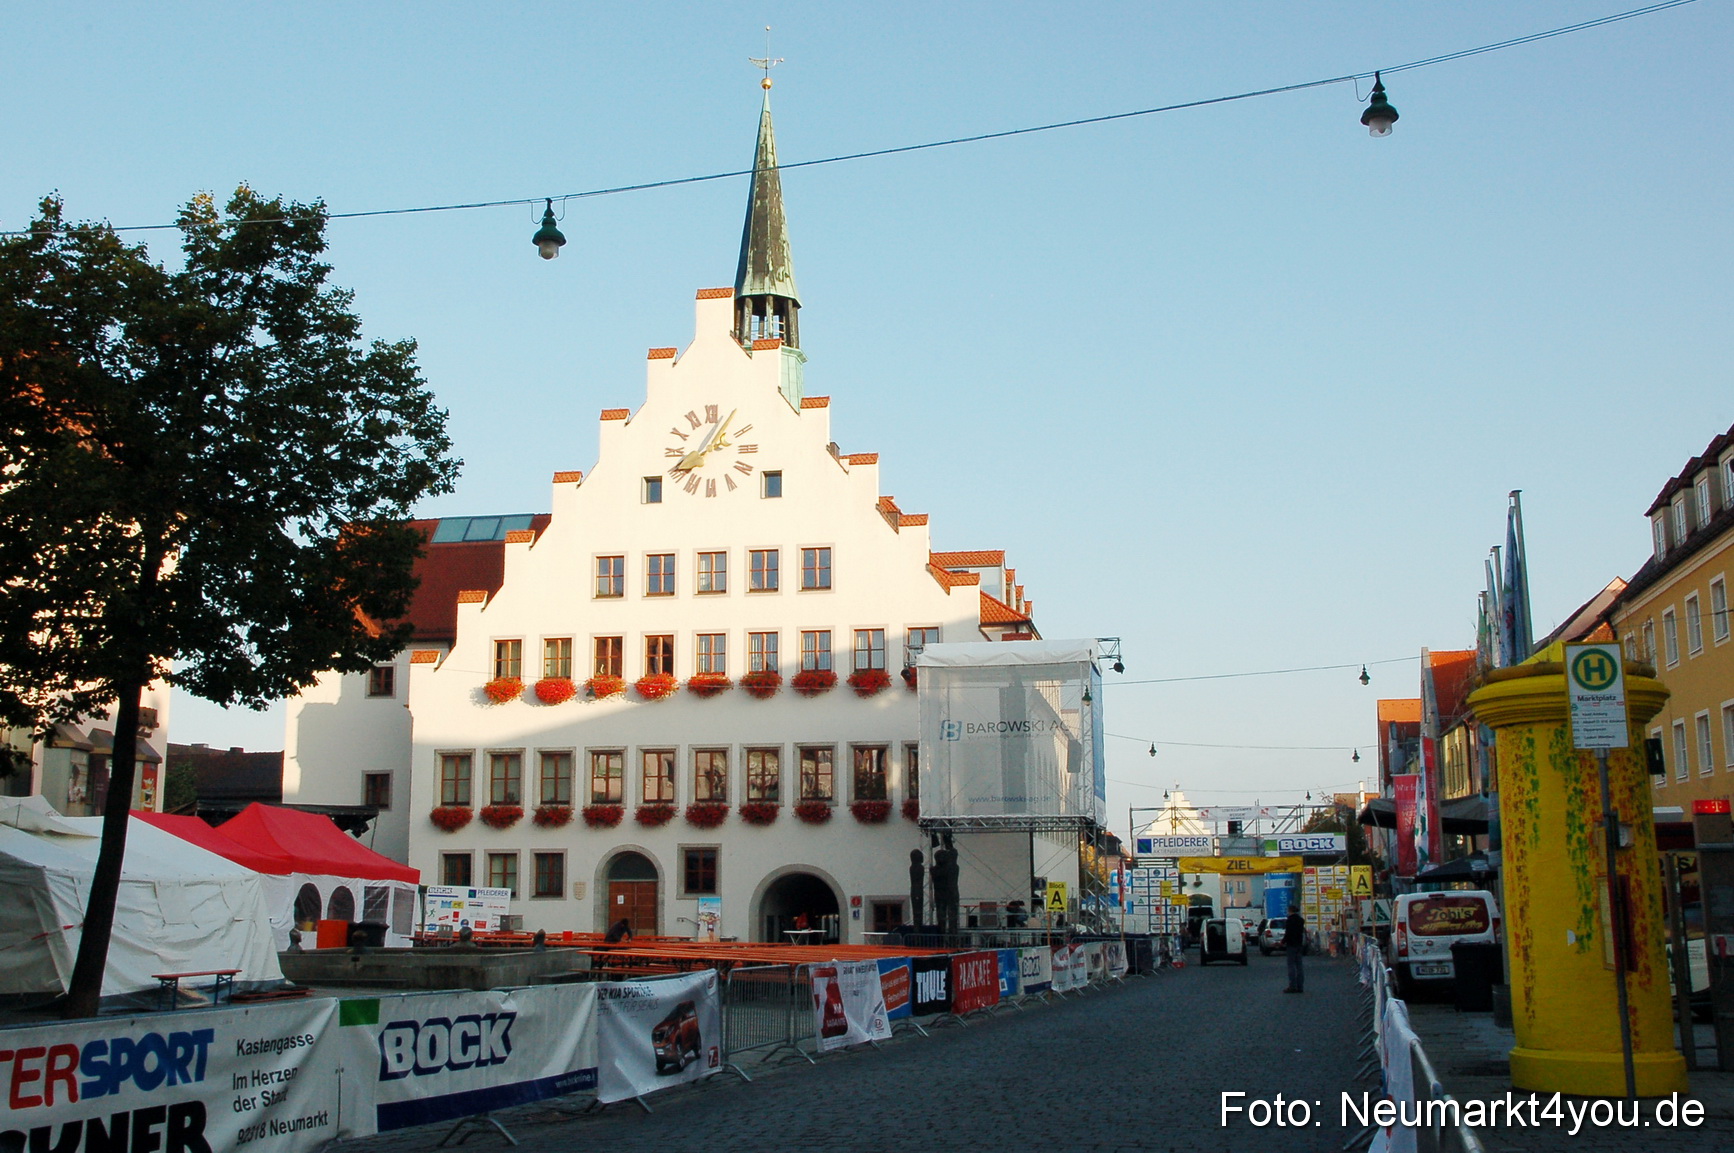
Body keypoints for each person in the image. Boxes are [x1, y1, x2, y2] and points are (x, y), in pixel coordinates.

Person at [1283, 908, 1306, 993]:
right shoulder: (1301, 920)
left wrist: (1283, 941)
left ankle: (1292, 986)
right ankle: (1300, 986)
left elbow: (1288, 933)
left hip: (1291, 944)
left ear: (1290, 911)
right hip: (1299, 944)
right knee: (1299, 966)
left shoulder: (1289, 920)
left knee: (1291, 965)